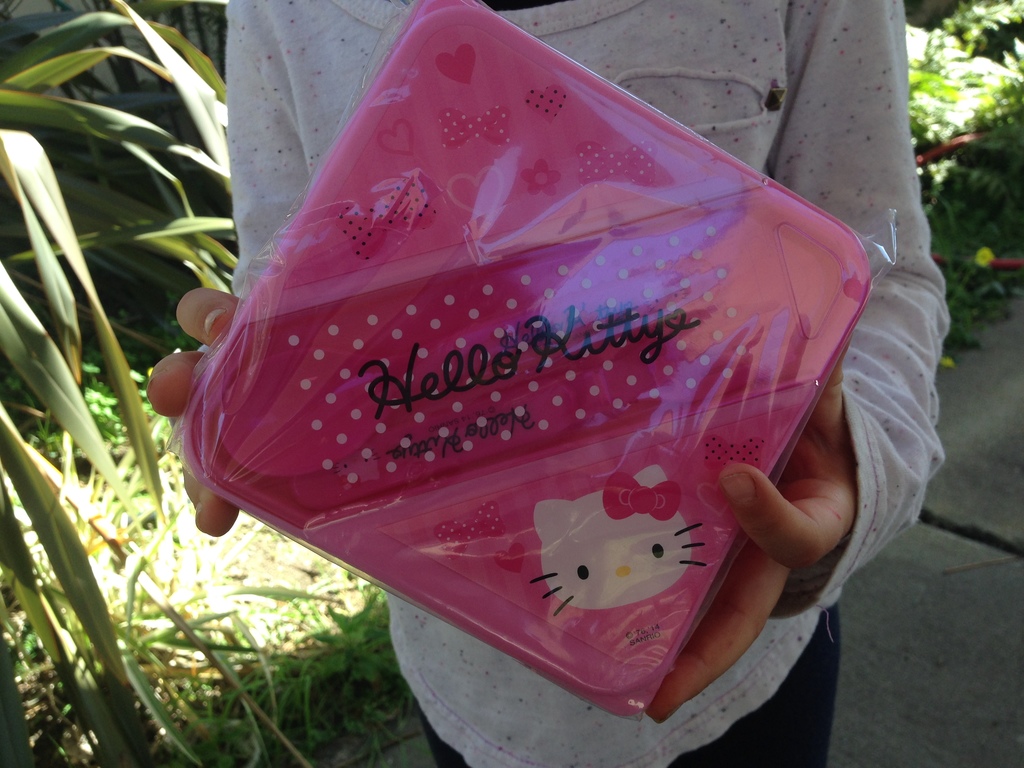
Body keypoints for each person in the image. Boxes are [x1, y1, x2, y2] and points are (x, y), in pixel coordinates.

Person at [147, 0, 948, 764]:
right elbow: (285, 289)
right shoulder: (283, 12)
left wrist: (852, 458)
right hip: (468, 687)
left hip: (749, 664)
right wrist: (255, 397)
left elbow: (886, 277)